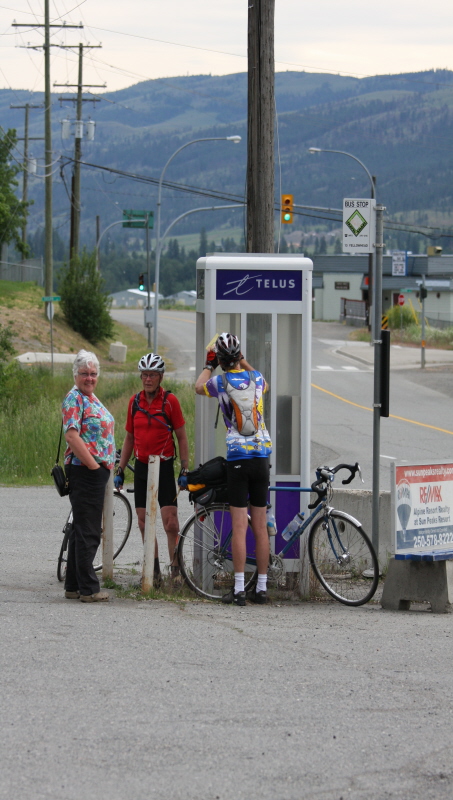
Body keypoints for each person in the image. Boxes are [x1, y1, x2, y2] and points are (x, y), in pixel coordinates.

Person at [195, 332, 272, 605]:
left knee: (240, 526)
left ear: (220, 359)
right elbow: (265, 383)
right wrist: (244, 360)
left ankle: (239, 589)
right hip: (261, 457)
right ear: (239, 355)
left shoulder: (220, 382)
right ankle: (261, 588)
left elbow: (198, 386)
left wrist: (209, 364)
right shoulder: (257, 378)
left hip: (238, 458)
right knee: (260, 526)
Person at [115, 353, 189, 584]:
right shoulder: (134, 402)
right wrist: (120, 469)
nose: (148, 379)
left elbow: (181, 436)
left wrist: (184, 469)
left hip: (164, 466)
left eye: (153, 375)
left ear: (160, 377)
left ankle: (176, 571)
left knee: (170, 522)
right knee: (143, 522)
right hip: (142, 467)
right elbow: (129, 438)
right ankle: (153, 572)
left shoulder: (170, 401)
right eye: (145, 375)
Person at [62, 349, 115, 602]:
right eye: (84, 373)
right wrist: (94, 466)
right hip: (85, 471)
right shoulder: (74, 398)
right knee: (89, 531)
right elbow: (72, 436)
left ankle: (73, 585)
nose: (89, 378)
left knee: (80, 528)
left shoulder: (90, 397)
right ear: (75, 374)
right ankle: (89, 589)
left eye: (93, 373)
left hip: (93, 470)